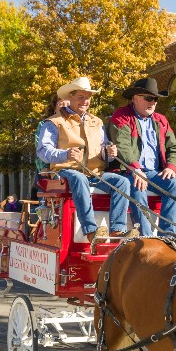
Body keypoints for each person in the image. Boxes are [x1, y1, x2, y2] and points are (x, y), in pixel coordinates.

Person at [36, 76, 130, 243]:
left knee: (122, 182)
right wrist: (65, 154)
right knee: (78, 178)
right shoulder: (54, 122)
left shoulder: (97, 122)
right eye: (80, 97)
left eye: (88, 97)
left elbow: (103, 151)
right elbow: (43, 151)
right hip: (65, 171)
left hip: (94, 173)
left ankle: (117, 231)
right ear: (70, 97)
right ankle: (91, 230)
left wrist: (110, 152)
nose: (85, 101)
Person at [108, 77, 176, 236]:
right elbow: (122, 147)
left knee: (175, 184)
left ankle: (168, 237)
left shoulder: (161, 120)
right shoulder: (121, 116)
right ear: (135, 98)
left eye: (155, 99)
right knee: (138, 184)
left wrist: (171, 167)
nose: (153, 102)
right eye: (149, 98)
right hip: (126, 171)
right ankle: (146, 237)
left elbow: (174, 147)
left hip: (154, 173)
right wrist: (136, 169)